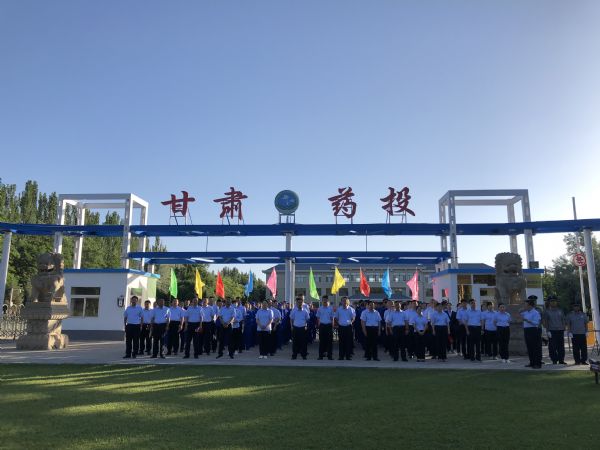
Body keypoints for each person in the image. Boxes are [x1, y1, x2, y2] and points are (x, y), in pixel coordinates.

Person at [543, 296, 567, 365]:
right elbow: (545, 322)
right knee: (552, 347)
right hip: (552, 331)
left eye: (554, 301)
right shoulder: (546, 311)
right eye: (551, 301)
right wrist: (547, 331)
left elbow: (563, 320)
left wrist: (564, 328)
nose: (553, 302)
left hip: (560, 330)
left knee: (561, 346)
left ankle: (561, 360)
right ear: (549, 302)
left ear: (556, 302)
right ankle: (554, 360)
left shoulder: (560, 310)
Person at [521, 296, 542, 369]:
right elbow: (518, 314)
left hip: (533, 330)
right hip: (527, 330)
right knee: (529, 347)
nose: (524, 306)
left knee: (535, 347)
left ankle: (537, 363)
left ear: (530, 305)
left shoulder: (536, 313)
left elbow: (536, 323)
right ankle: (532, 362)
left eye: (525, 305)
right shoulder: (525, 312)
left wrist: (528, 320)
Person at [316, 295, 334, 360]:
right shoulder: (320, 308)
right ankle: (320, 356)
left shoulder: (331, 308)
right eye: (323, 300)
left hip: (329, 326)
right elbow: (318, 317)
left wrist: (332, 326)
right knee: (321, 342)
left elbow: (332, 318)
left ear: (328, 300)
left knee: (329, 342)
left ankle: (330, 356)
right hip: (322, 326)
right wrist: (319, 325)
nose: (324, 301)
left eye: (325, 300)